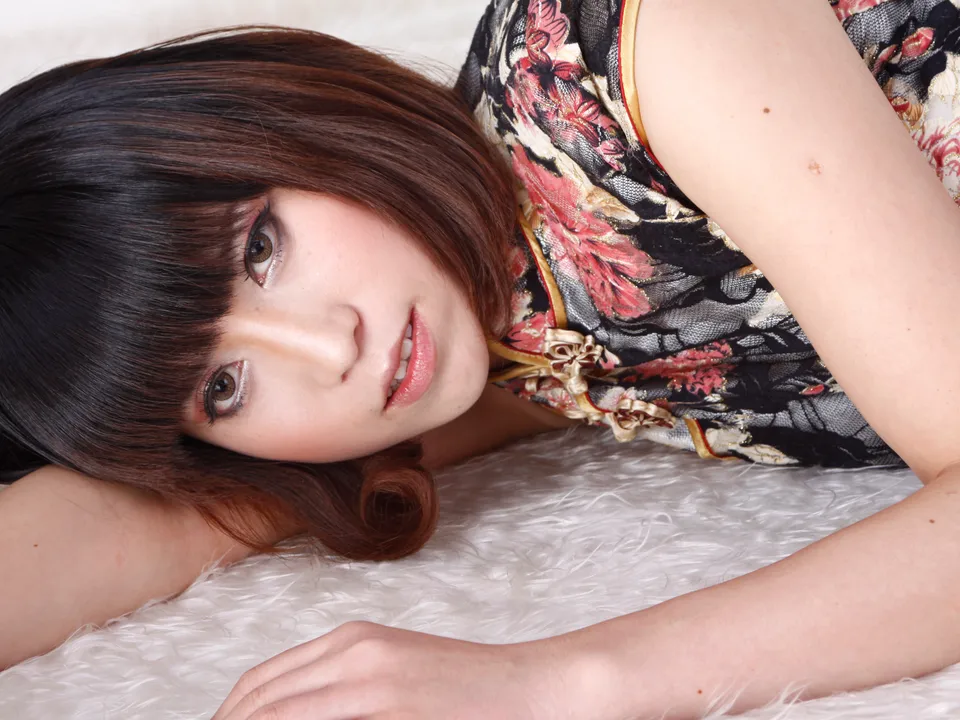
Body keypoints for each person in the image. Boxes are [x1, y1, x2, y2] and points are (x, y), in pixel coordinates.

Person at [3, 0, 960, 717]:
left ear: (288, 118)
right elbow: (155, 525)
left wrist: (559, 682)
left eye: (260, 248)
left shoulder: (640, 50)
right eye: (222, 387)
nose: (329, 346)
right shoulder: (501, 341)